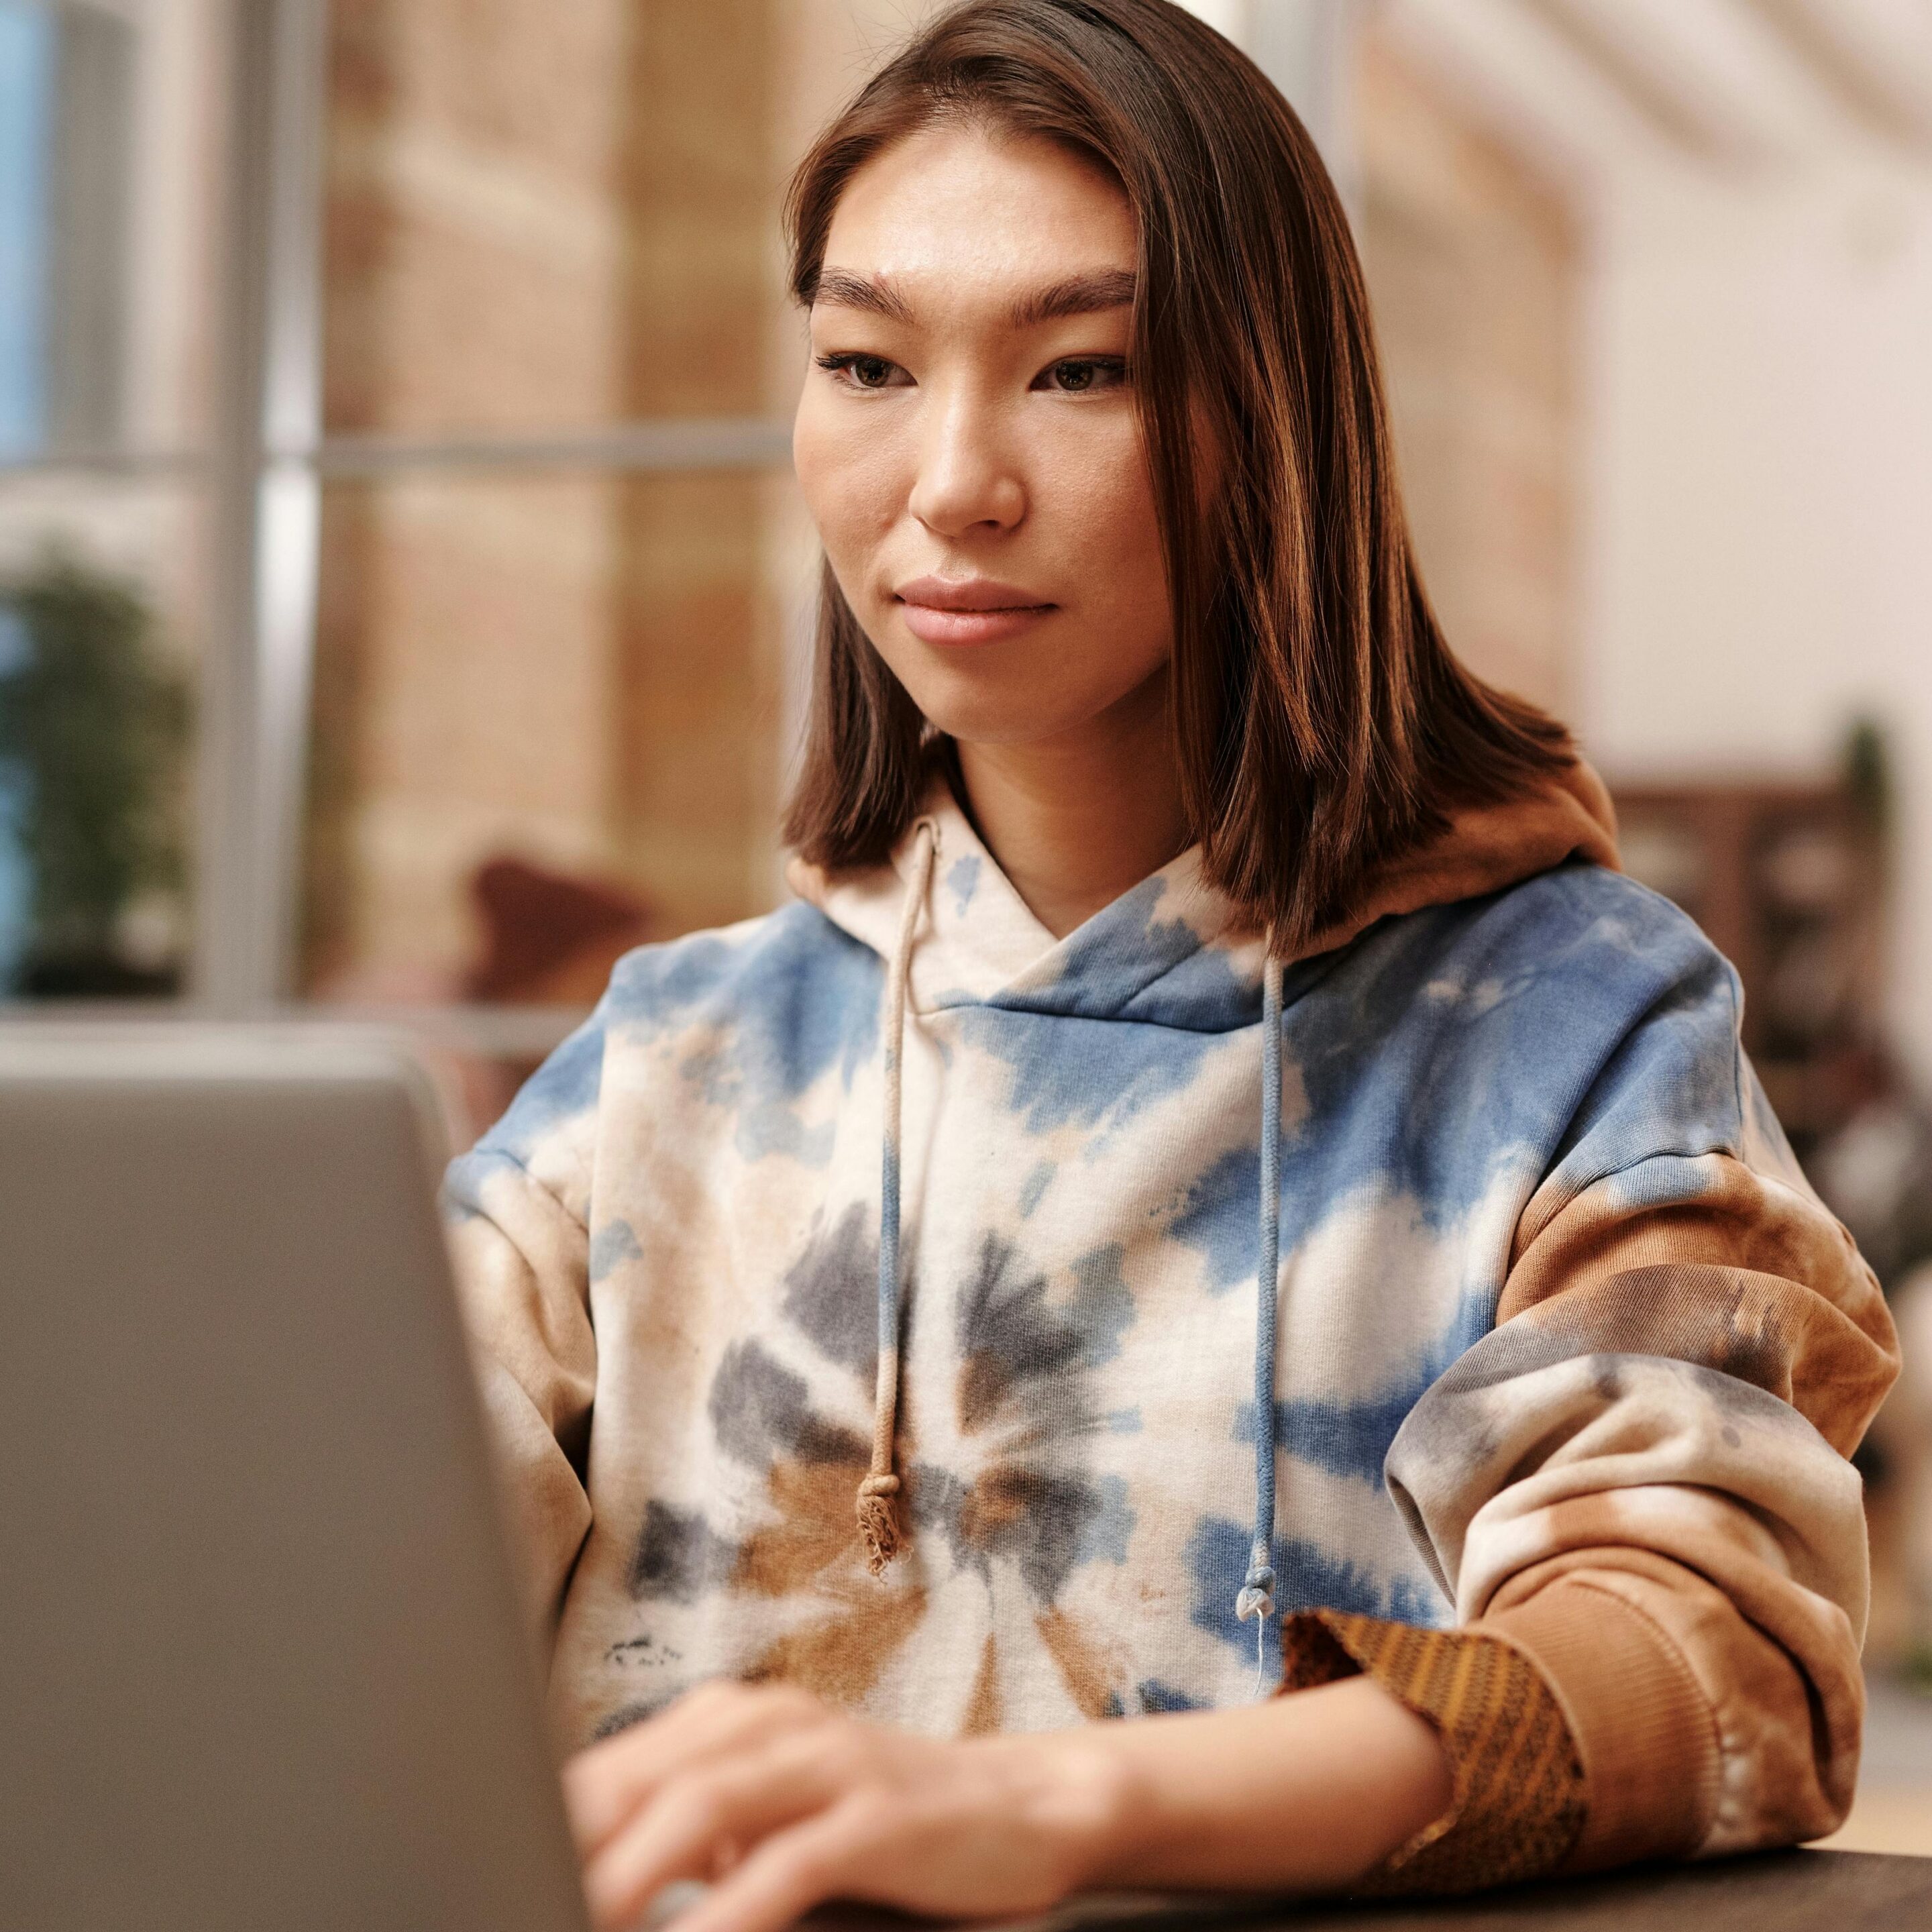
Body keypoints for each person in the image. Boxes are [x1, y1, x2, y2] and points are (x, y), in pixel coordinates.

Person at [443, 5, 1898, 1929]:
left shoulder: (1574, 1027)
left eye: (1085, 369)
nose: (950, 482)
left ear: (1273, 423)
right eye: (867, 362)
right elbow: (302, 1564)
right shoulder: (672, 1056)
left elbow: (1708, 1668)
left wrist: (1050, 1811)